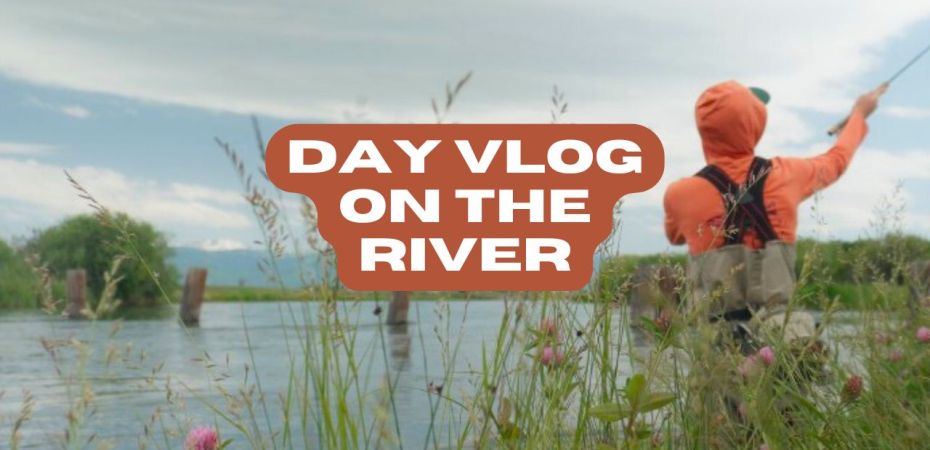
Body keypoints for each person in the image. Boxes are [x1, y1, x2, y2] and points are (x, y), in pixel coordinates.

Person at [663, 80, 887, 349]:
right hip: (782, 340)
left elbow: (674, 236)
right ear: (756, 124)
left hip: (715, 347)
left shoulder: (679, 194)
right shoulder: (787, 175)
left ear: (704, 131)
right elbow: (837, 160)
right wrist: (858, 115)